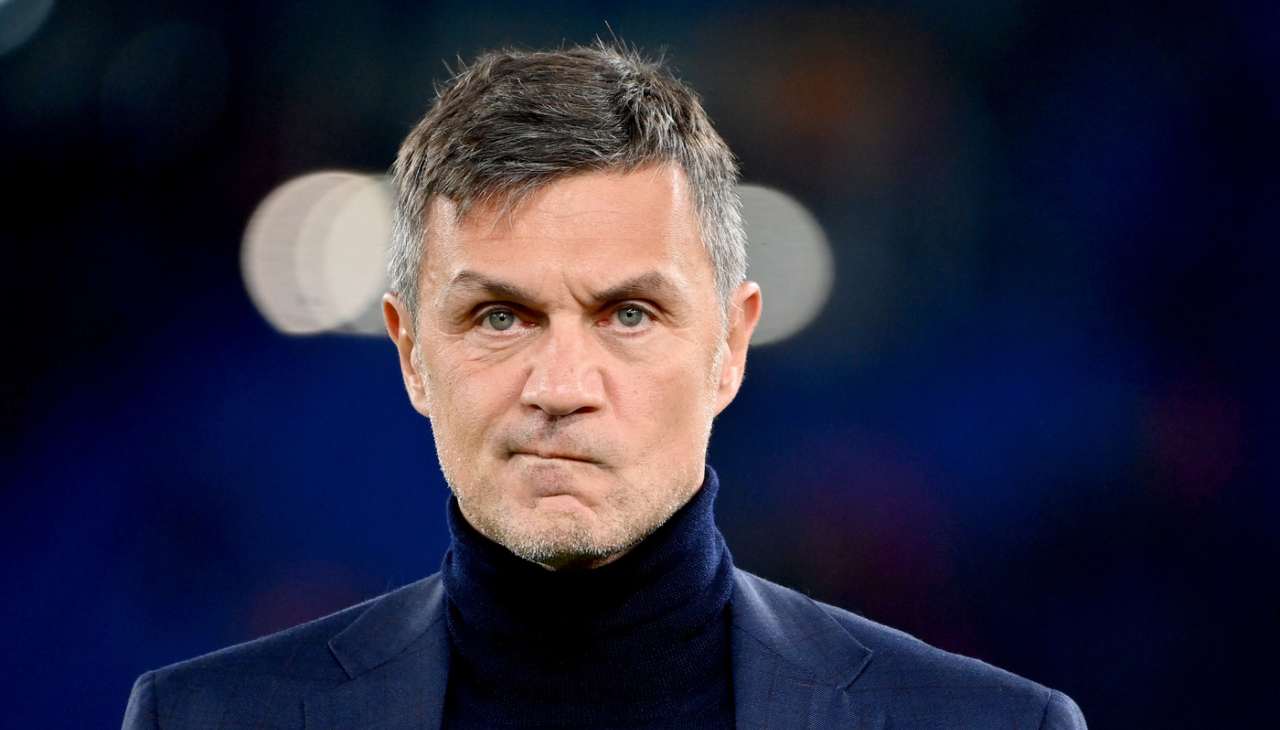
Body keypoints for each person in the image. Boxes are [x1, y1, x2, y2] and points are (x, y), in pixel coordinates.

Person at [123, 43, 1086, 729]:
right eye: (500, 317)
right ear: (410, 352)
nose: (561, 386)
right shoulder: (203, 718)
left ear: (731, 346)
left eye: (628, 314)